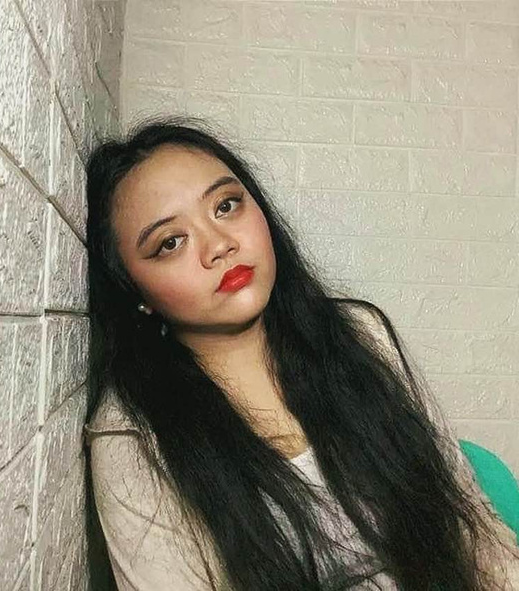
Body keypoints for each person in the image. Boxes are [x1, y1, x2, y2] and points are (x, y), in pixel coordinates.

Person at [81, 116, 519, 590]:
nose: (219, 245)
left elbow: (470, 520)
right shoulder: (131, 437)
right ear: (135, 291)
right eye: (170, 242)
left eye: (226, 206)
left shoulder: (360, 333)